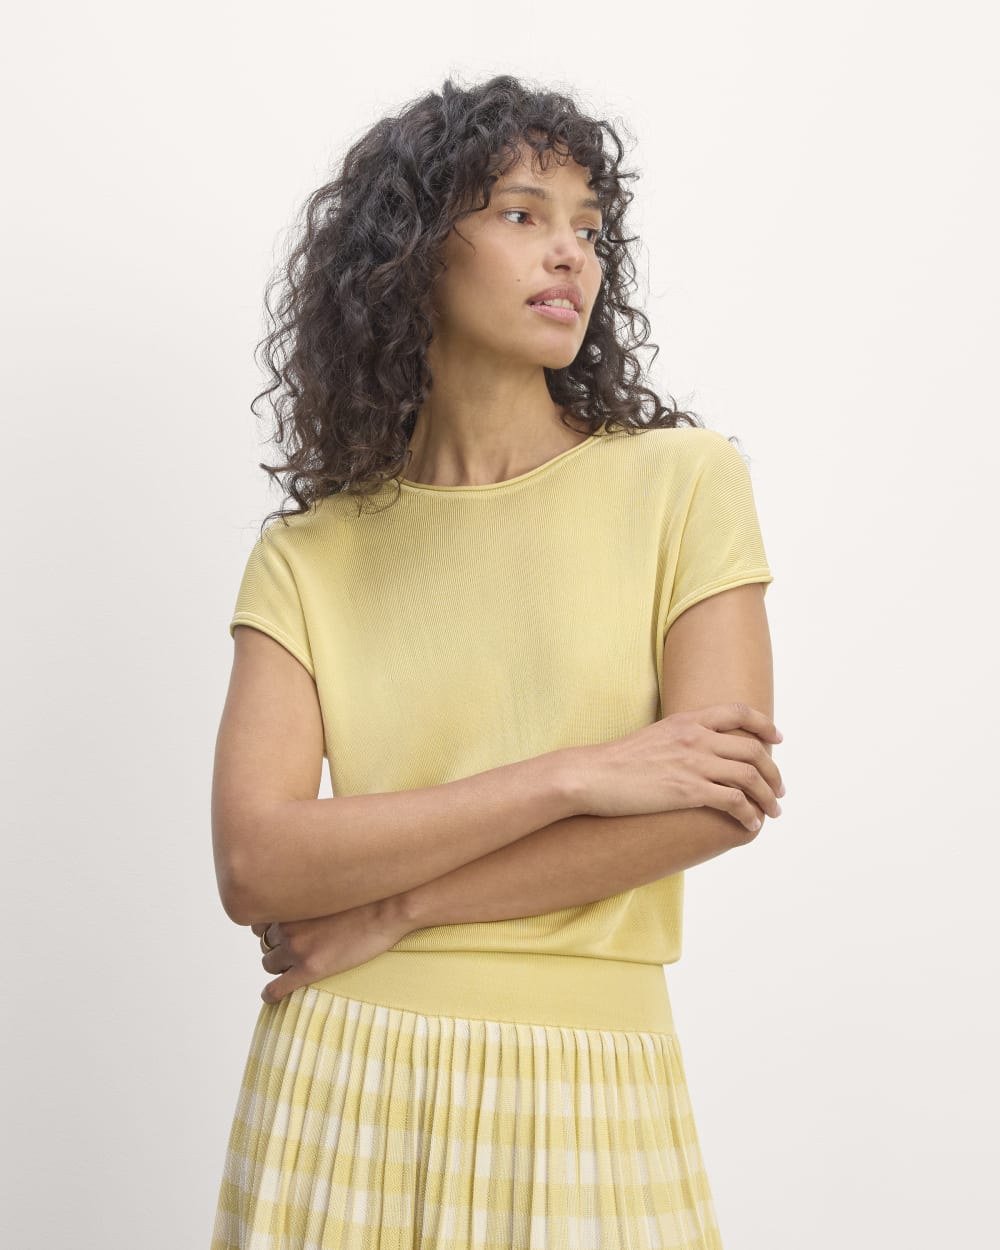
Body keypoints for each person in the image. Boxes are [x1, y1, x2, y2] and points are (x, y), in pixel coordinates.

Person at [209, 73, 784, 1250]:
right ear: (411, 253)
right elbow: (257, 859)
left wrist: (399, 903)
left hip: (587, 1076)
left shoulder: (683, 482)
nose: (570, 251)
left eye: (588, 226)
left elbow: (717, 797)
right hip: (342, 1074)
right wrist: (574, 775)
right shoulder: (310, 554)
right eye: (522, 213)